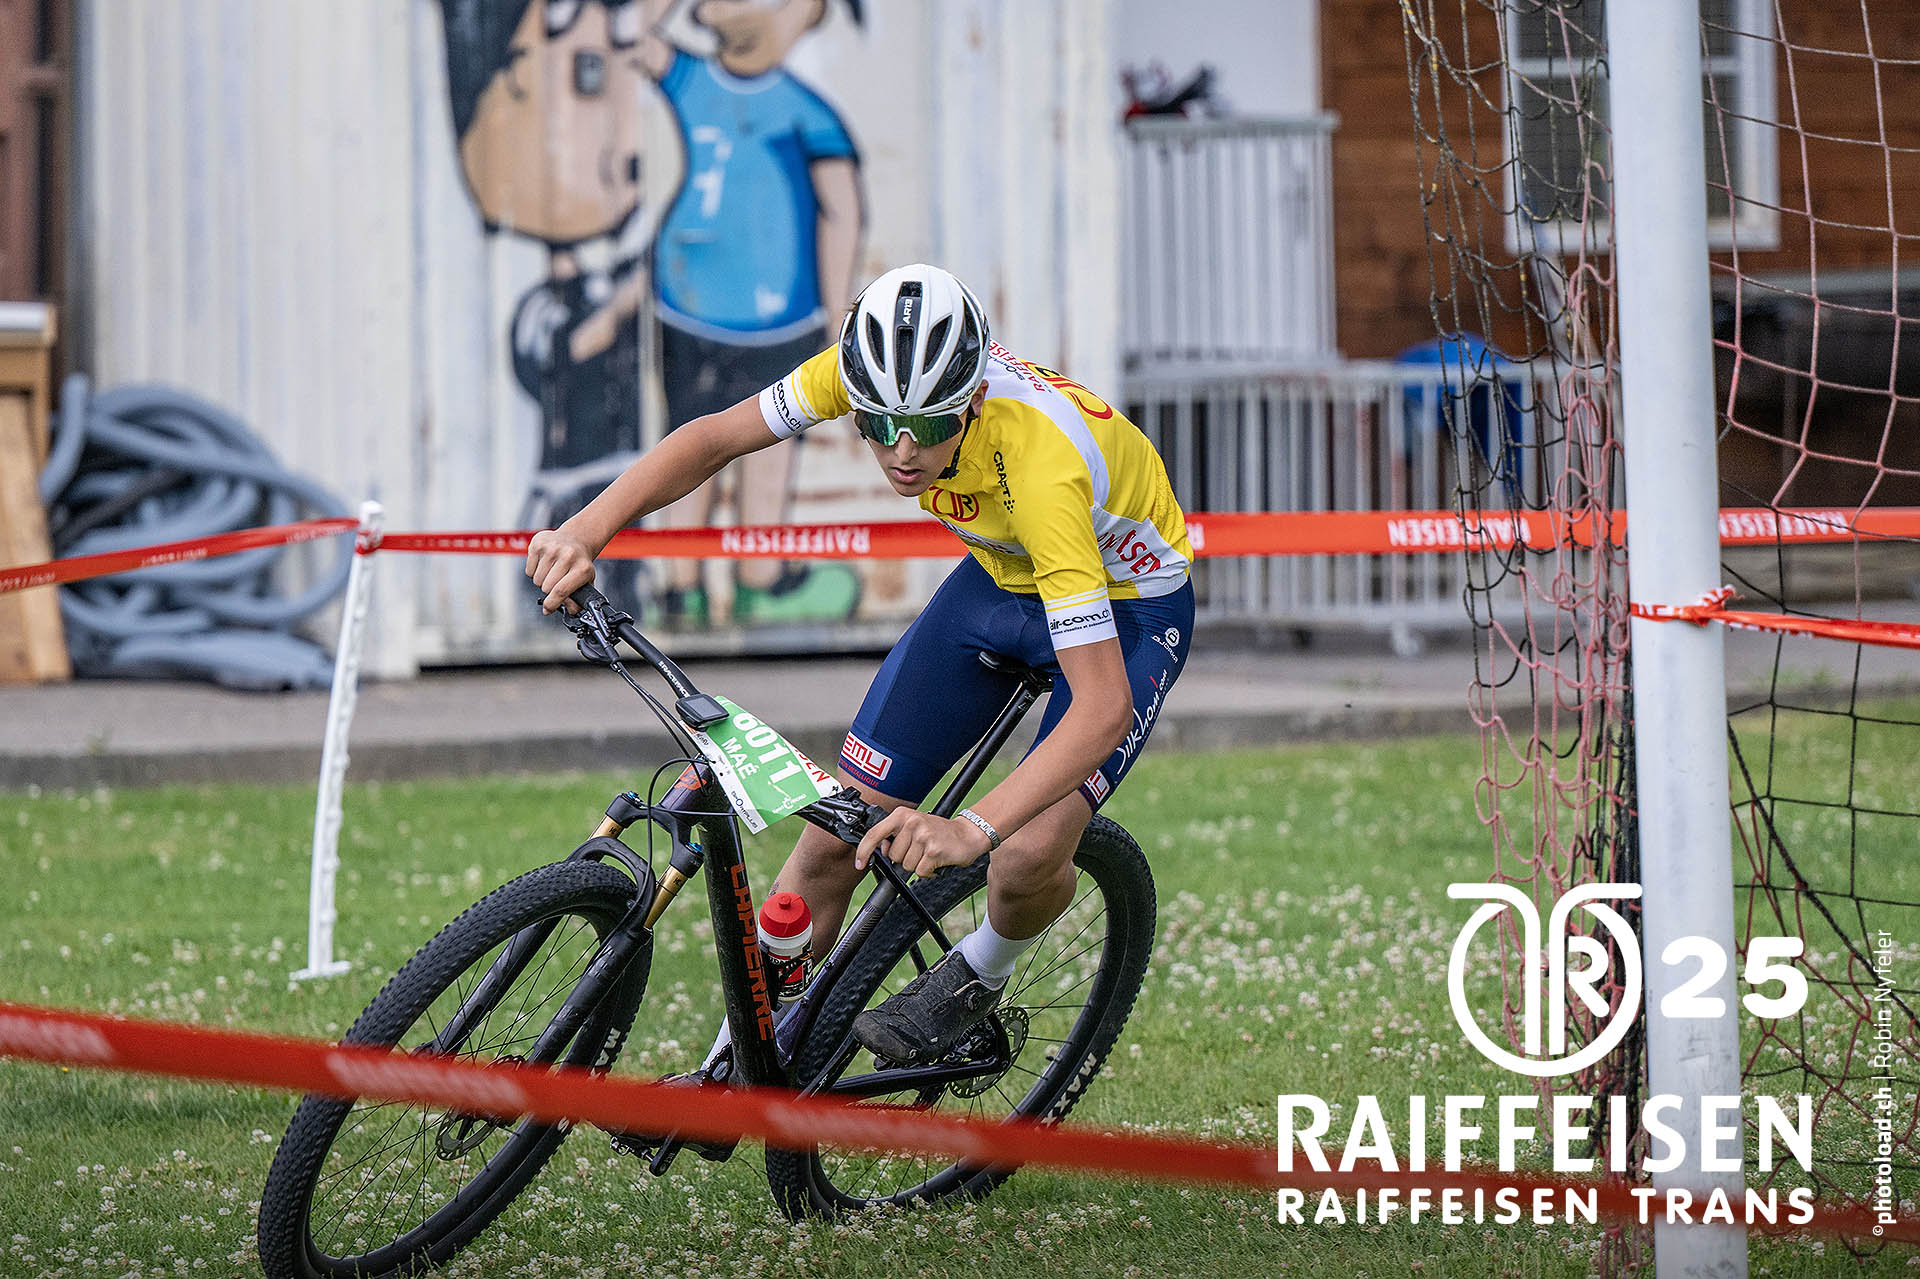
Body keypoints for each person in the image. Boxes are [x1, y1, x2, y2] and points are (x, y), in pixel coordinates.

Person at [526, 263, 1195, 1068]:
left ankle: (983, 969)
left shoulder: (1041, 469)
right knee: (830, 844)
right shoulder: (863, 373)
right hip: (1002, 577)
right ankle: (729, 1071)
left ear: (973, 398)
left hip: (1126, 603)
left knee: (1023, 853)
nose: (902, 453)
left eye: (928, 426)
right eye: (877, 426)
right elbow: (713, 439)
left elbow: (1102, 709)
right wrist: (587, 529)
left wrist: (969, 827)